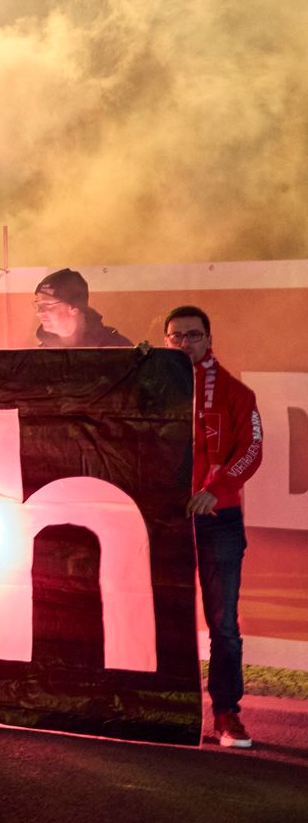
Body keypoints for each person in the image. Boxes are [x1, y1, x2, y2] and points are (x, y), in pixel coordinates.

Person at [164, 306, 263, 749]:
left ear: (209, 339)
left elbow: (252, 449)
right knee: (159, 616)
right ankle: (159, 710)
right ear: (166, 341)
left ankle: (226, 714)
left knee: (222, 624)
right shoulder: (149, 389)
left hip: (218, 521)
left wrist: (216, 490)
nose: (185, 343)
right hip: (164, 521)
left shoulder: (235, 392)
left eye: (193, 335)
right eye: (176, 336)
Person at [33, 269, 132, 348]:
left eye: (47, 304)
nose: (39, 312)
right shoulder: (40, 354)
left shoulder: (116, 348)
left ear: (74, 307)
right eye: (38, 305)